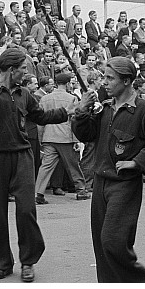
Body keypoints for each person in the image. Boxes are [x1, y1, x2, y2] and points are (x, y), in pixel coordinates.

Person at [0, 48, 75, 282]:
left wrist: (68, 112)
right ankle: (2, 264)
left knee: (26, 210)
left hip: (22, 157)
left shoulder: (24, 93)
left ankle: (28, 261)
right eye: (23, 69)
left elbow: (41, 116)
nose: (26, 73)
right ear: (10, 69)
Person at [72, 57, 145, 282]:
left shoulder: (143, 109)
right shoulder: (106, 108)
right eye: (104, 77)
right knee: (101, 245)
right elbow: (85, 134)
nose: (104, 83)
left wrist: (137, 162)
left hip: (124, 185)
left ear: (127, 81)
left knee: (114, 242)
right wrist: (82, 111)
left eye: (110, 78)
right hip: (100, 183)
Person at [34, 72, 89, 204]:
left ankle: (38, 193)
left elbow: (40, 120)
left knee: (46, 166)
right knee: (73, 165)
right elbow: (75, 120)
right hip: (66, 136)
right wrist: (77, 139)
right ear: (68, 83)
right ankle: (81, 190)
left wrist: (41, 139)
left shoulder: (45, 98)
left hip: (49, 136)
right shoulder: (72, 98)